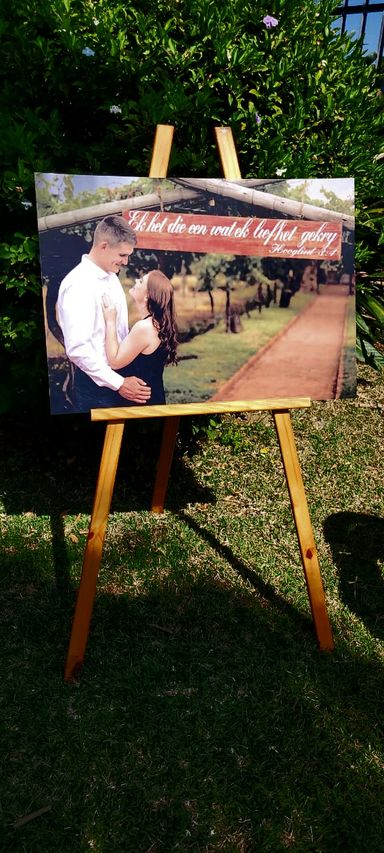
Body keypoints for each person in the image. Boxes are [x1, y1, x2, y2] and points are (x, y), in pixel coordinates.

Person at [56, 215, 151, 412]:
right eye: (122, 255)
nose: (126, 261)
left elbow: (119, 330)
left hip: (120, 378)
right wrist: (119, 383)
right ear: (104, 246)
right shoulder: (78, 284)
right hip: (97, 388)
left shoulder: (111, 276)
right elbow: (78, 349)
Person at [102, 270, 178, 405]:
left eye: (141, 281)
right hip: (151, 399)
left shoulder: (145, 328)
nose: (136, 281)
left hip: (140, 403)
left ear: (147, 296)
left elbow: (114, 361)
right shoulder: (157, 325)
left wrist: (110, 321)